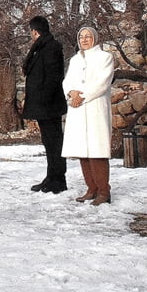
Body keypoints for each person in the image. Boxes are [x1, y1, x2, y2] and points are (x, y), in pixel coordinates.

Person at [62, 26, 116, 205]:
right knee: (82, 151)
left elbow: (102, 83)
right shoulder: (75, 60)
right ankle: (91, 188)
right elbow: (67, 81)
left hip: (94, 107)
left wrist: (81, 97)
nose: (84, 40)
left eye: (88, 36)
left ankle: (103, 191)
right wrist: (71, 93)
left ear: (95, 38)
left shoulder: (105, 58)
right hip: (77, 109)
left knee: (97, 150)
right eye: (82, 37)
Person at [23, 16, 68, 193]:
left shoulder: (51, 47)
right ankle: (51, 176)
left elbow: (53, 77)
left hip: (49, 105)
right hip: (43, 104)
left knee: (54, 142)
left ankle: (58, 179)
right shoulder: (42, 47)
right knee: (48, 142)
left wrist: (45, 100)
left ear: (35, 31)